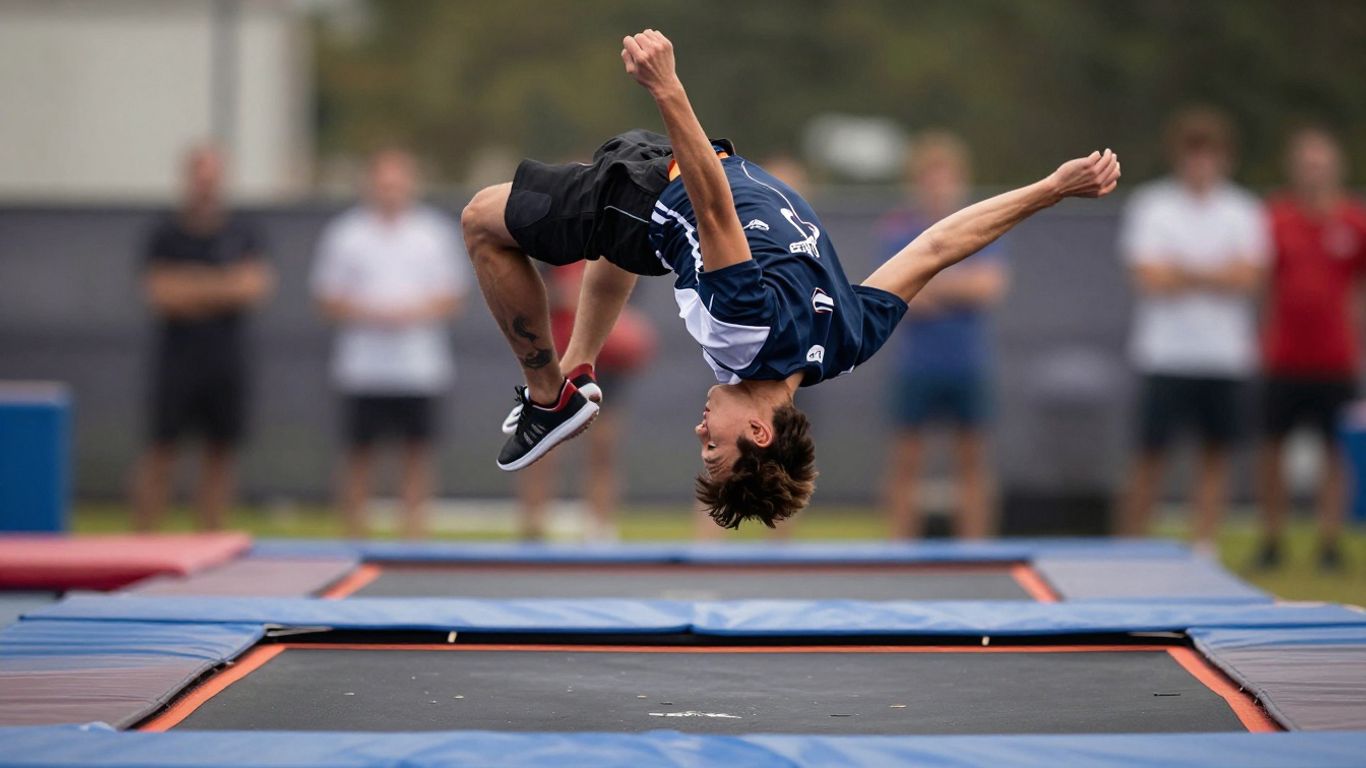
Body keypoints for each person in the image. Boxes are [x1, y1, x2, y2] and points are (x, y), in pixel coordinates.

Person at [461, 29, 1120, 530]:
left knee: (482, 222)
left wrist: (669, 88)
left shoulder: (816, 341)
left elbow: (718, 207)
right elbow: (941, 244)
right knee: (587, 240)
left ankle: (554, 390)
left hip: (649, 197)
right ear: (759, 433)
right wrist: (1051, 188)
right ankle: (566, 386)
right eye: (713, 450)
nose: (701, 434)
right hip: (673, 188)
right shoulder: (805, 334)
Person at [1117, 107, 1269, 552]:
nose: (1201, 163)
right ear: (1180, 156)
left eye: (1210, 154)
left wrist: (1184, 273)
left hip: (1223, 355)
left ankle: (1205, 543)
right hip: (1164, 354)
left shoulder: (1244, 210)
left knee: (1215, 453)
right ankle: (1132, 545)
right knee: (1149, 453)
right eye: (1193, 153)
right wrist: (1214, 275)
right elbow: (1149, 277)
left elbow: (1249, 278)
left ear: (1224, 158)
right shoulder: (1153, 206)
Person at [312, 149, 470, 539]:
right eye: (383, 184)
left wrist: (411, 313)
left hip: (418, 367)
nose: (390, 192)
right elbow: (326, 299)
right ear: (369, 185)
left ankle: (414, 536)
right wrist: (372, 312)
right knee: (359, 453)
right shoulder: (345, 234)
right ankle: (353, 535)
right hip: (362, 367)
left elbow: (453, 297)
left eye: (397, 184)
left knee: (416, 453)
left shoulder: (433, 233)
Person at [131, 144, 274, 531]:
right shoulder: (166, 233)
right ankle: (143, 543)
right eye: (200, 175)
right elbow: (162, 295)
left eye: (213, 176)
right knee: (162, 451)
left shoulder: (243, 232)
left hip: (225, 360)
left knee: (220, 453)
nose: (206, 184)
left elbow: (252, 288)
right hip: (177, 360)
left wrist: (191, 285)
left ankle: (209, 541)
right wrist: (221, 286)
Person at [879, 132, 1008, 539]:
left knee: (972, 461)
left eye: (946, 175)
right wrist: (953, 287)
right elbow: (895, 294)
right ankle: (900, 550)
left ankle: (976, 551)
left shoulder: (978, 226)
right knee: (906, 462)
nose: (938, 184)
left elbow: (988, 287)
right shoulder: (899, 230)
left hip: (966, 362)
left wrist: (931, 282)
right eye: (930, 176)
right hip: (917, 365)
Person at [1256, 127, 1366, 571]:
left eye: (1321, 165)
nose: (1314, 173)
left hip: (1334, 357)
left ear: (1336, 170)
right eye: (1307, 165)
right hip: (1282, 355)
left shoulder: (1354, 222)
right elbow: (1263, 284)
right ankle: (1272, 538)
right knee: (1271, 448)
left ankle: (1328, 541)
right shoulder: (1275, 219)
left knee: (1333, 452)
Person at [515, 260, 657, 542]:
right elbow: (537, 289)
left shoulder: (621, 242)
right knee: (543, 444)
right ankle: (533, 525)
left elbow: (625, 299)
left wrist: (591, 300)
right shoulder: (558, 238)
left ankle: (600, 527)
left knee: (602, 447)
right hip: (560, 355)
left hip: (605, 358)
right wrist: (564, 294)